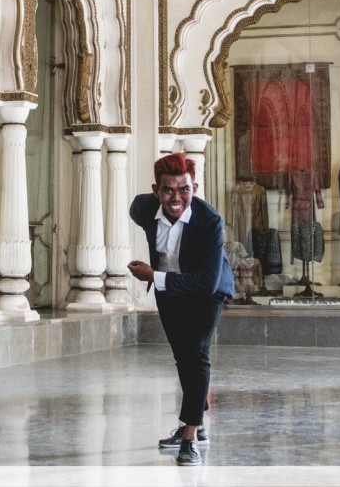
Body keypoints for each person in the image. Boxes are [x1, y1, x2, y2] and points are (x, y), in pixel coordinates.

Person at [127, 152, 235, 467]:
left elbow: (205, 282)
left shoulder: (210, 221)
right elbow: (137, 209)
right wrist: (160, 279)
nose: (176, 198)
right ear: (156, 191)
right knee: (183, 357)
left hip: (207, 291)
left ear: (195, 188)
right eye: (168, 190)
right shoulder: (143, 208)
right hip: (170, 292)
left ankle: (189, 439)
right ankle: (196, 424)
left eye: (184, 189)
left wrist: (153, 276)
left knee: (197, 354)